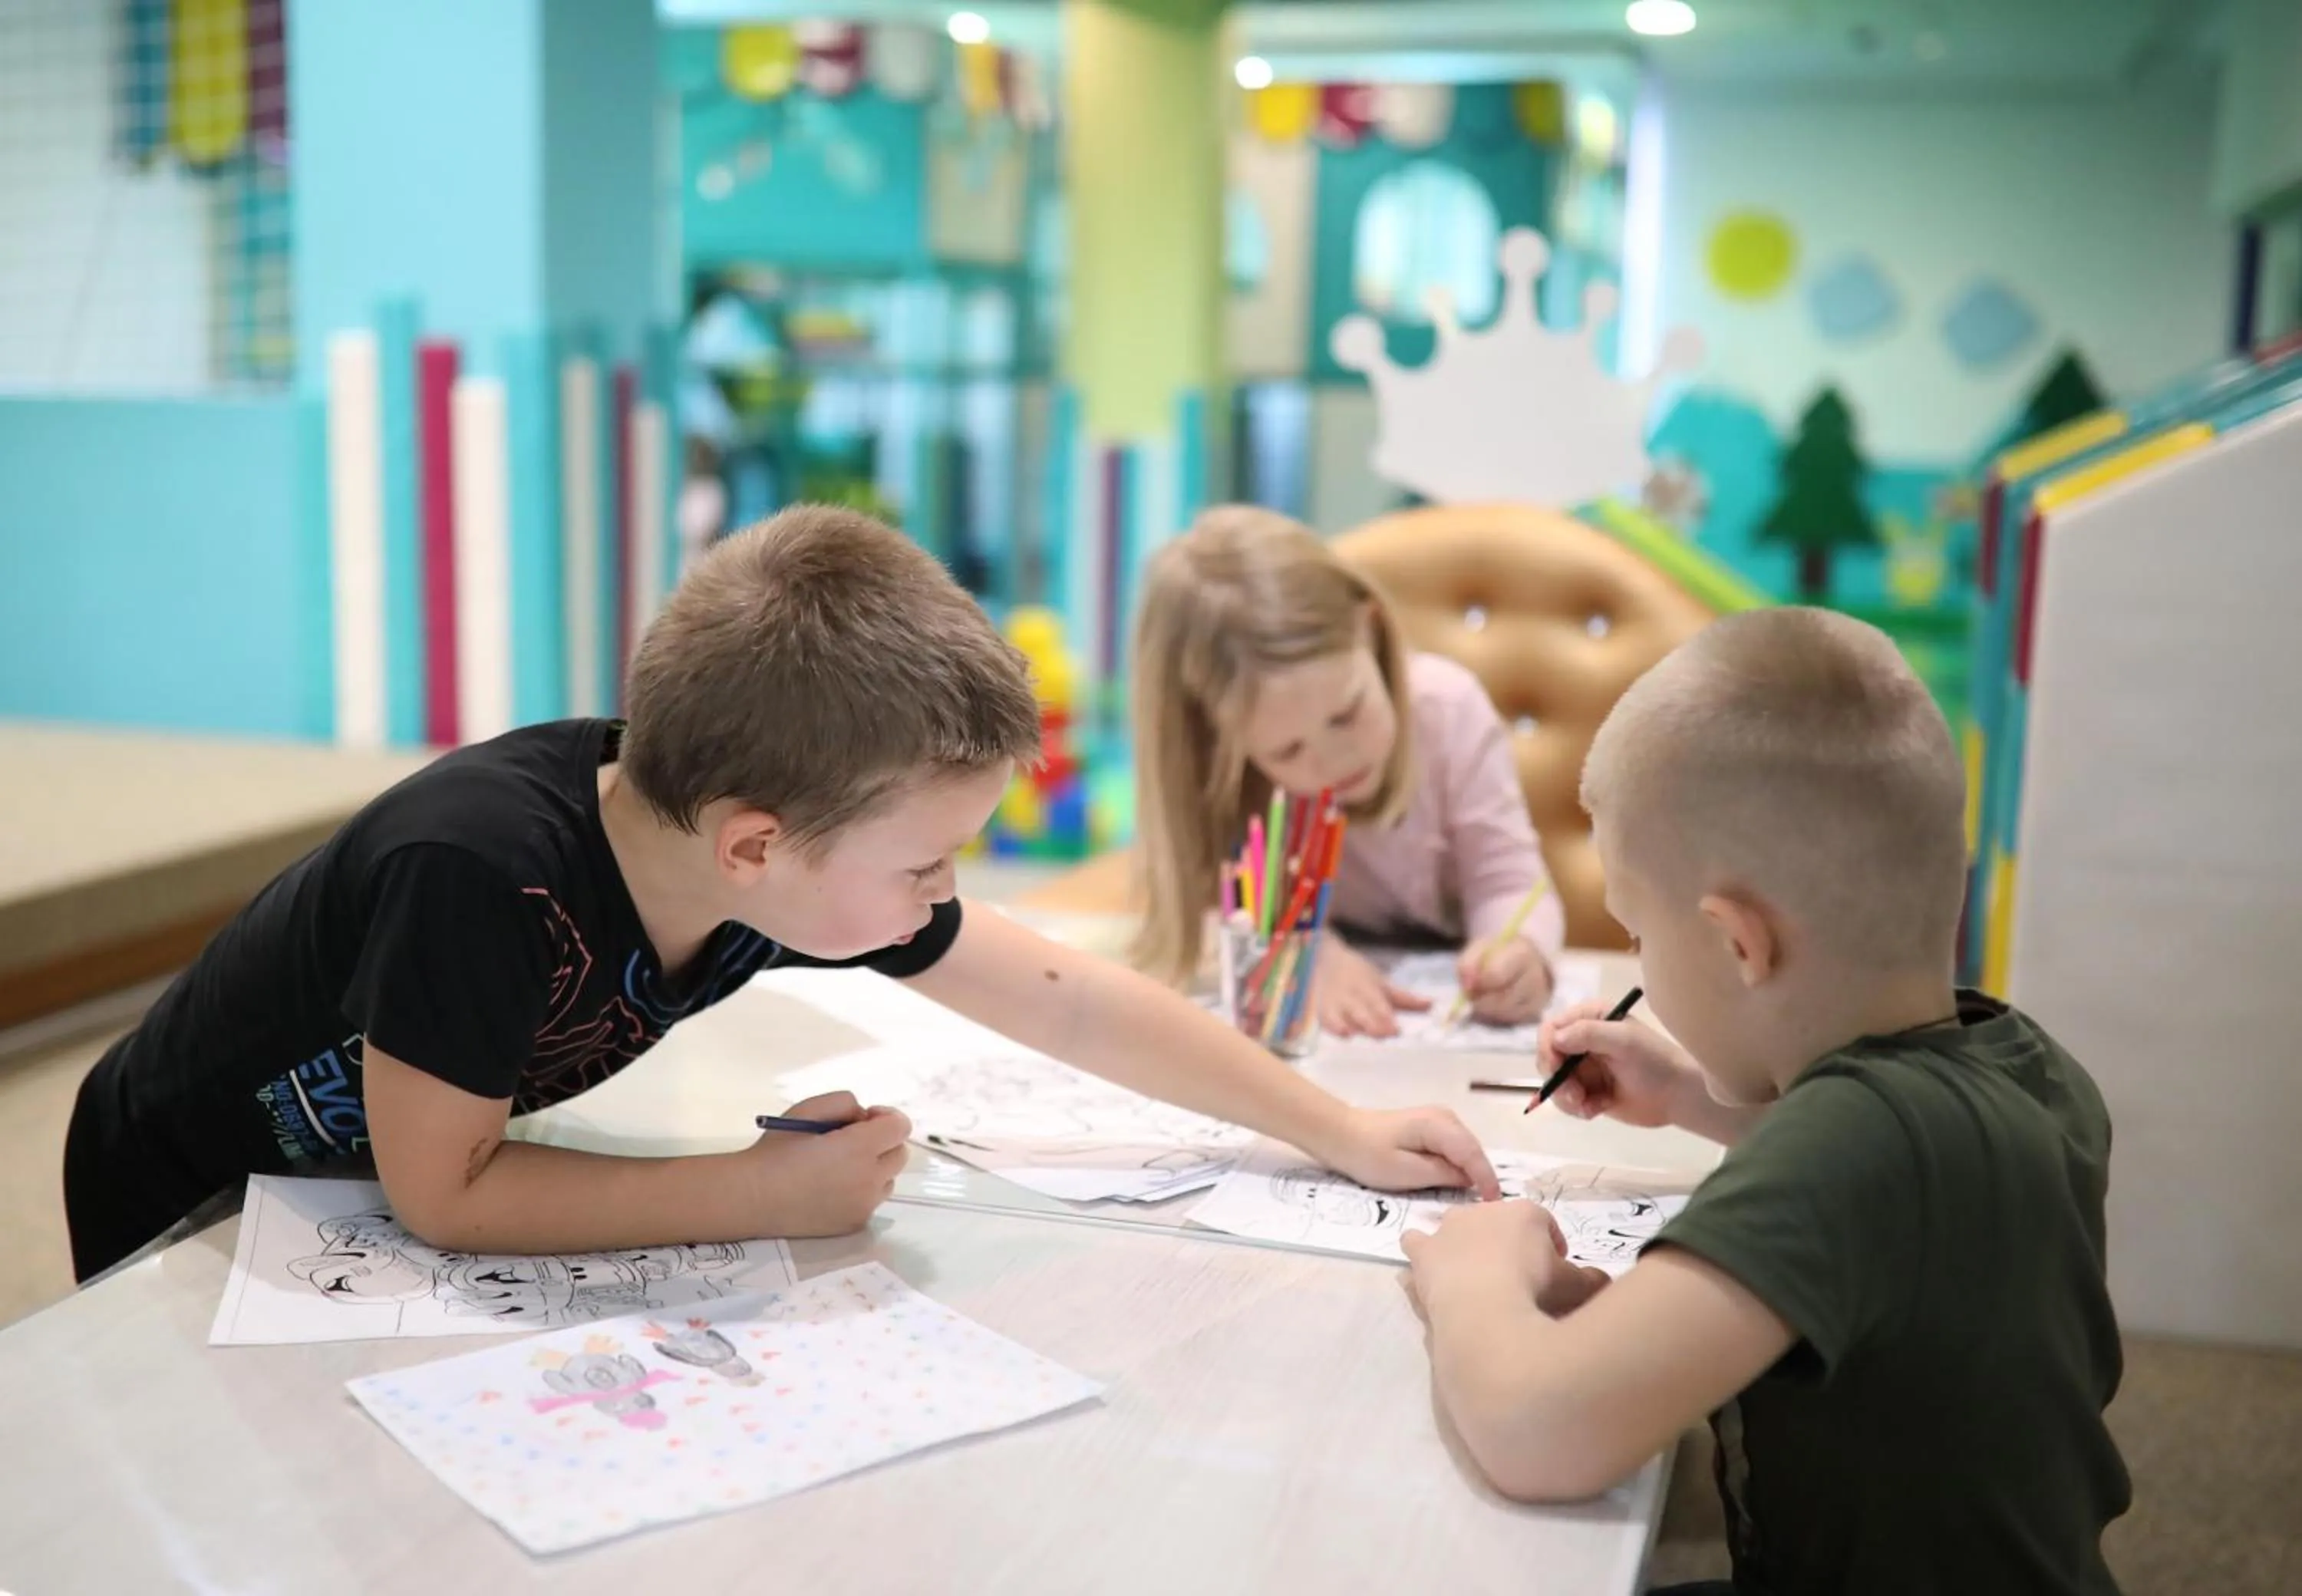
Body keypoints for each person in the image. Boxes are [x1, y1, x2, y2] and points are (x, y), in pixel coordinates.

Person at [63, 506, 1498, 1282]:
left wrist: (1340, 1127)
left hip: (359, 1206)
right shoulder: (480, 874)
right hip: (189, 1204)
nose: (944, 896)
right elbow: (449, 1194)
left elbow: (1061, 994)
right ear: (758, 849)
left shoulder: (766, 847)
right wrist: (760, 1193)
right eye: (928, 865)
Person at [1400, 607, 2129, 1595]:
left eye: (1637, 937)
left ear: (1740, 943)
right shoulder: (2024, 1065)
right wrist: (1693, 1100)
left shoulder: (1850, 1146)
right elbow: (1904, 1212)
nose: (1638, 969)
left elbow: (1535, 1433)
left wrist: (1475, 1276)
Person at [1130, 505, 1562, 1037]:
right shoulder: (1220, 770)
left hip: (1444, 1020)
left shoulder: (1448, 710)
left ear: (1369, 629)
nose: (1334, 762)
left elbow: (1511, 882)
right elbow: (1202, 911)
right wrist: (1307, 954)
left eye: (1347, 713)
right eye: (1287, 751)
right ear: (1221, 740)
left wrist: (1520, 953)